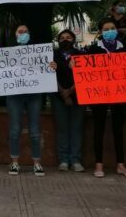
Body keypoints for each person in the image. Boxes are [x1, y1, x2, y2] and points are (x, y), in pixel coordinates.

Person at [86, 18, 126, 178]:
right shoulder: (94, 49)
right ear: (100, 32)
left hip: (120, 94)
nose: (110, 31)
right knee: (99, 129)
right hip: (99, 94)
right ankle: (98, 165)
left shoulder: (125, 48)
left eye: (112, 28)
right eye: (106, 29)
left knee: (118, 129)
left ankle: (121, 164)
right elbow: (86, 71)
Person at [5, 25, 45, 176]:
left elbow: (45, 69)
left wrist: (51, 66)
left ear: (30, 34)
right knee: (15, 130)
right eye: (19, 31)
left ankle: (37, 163)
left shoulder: (39, 51)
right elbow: (0, 70)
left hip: (34, 95)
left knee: (35, 131)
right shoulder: (7, 52)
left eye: (25, 31)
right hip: (14, 95)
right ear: (15, 34)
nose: (23, 34)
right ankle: (14, 162)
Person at [51, 29, 85, 172]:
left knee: (77, 128)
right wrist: (64, 94)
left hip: (79, 96)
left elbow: (86, 77)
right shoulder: (53, 56)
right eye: (62, 38)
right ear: (58, 41)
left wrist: (70, 91)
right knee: (62, 129)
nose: (66, 40)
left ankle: (76, 159)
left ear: (74, 40)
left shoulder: (82, 55)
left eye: (69, 37)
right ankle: (64, 160)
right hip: (58, 97)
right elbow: (49, 76)